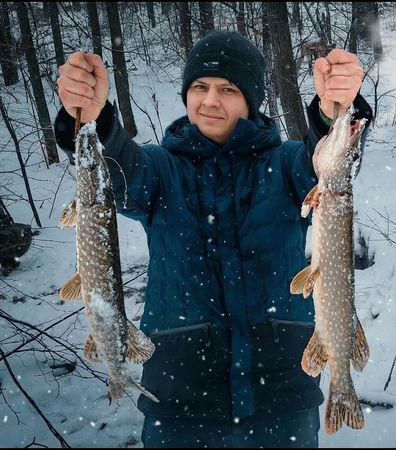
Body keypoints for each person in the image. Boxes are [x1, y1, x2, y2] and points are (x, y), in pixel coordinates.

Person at [54, 31, 372, 448]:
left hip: (280, 396)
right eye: (200, 87)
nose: (209, 100)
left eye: (228, 89)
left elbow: (326, 164)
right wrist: (93, 120)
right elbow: (115, 171)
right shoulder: (159, 170)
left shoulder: (286, 164)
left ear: (250, 100)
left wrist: (335, 115)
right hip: (180, 396)